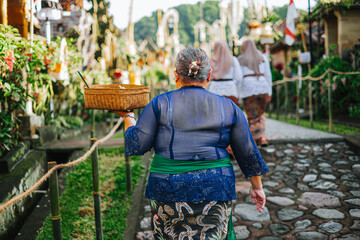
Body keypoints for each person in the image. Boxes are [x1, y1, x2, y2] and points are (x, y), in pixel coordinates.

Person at [113, 47, 268, 239]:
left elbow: (136, 145)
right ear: (209, 75)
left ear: (176, 75)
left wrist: (128, 115)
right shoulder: (229, 107)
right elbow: (247, 152)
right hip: (215, 188)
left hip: (167, 190)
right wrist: (257, 187)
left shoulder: (159, 104)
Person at [237, 39, 273, 147]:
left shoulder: (241, 59)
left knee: (252, 115)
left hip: (248, 88)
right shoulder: (262, 57)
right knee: (260, 113)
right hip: (262, 87)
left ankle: (253, 139)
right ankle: (262, 138)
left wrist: (238, 95)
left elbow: (239, 78)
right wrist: (269, 92)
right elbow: (268, 75)